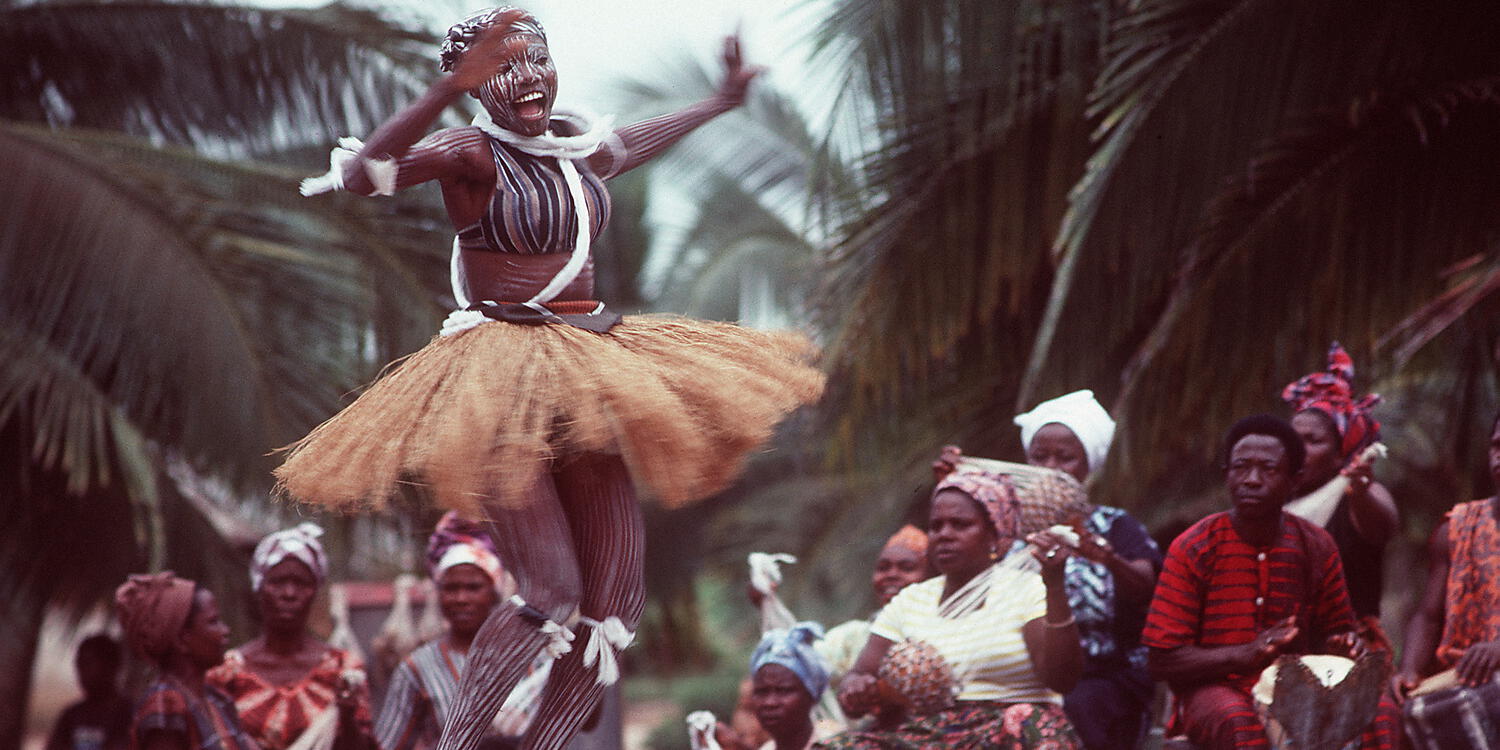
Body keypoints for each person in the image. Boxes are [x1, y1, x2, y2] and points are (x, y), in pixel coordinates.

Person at [276, 7, 823, 749]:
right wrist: (446, 94)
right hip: (503, 369)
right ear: (475, 84)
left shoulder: (574, 147)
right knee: (553, 593)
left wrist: (723, 102)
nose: (528, 79)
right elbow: (363, 173)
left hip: (585, 356)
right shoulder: (470, 151)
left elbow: (631, 143)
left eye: (537, 61)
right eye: (505, 68)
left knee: (614, 611)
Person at [1141, 414, 1399, 750]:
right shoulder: (1194, 546)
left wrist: (1343, 645)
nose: (1251, 480)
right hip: (1213, 691)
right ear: (1226, 475)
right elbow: (1161, 661)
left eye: (1269, 469)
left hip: (1297, 687)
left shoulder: (1316, 545)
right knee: (1239, 722)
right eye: (1241, 468)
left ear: (1294, 480)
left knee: (1382, 712)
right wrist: (1245, 654)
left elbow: (1336, 631)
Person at [820, 469, 1084, 749]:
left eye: (960, 524)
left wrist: (1055, 587)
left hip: (1009, 726)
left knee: (1027, 721)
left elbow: (1061, 679)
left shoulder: (1027, 589)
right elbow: (860, 676)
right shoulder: (910, 601)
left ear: (995, 534)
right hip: (934, 733)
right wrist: (855, 688)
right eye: (937, 525)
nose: (944, 534)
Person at [1011, 389, 1162, 750]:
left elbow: (1148, 588)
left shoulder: (1115, 526)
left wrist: (1107, 559)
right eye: (1040, 456)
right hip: (1022, 677)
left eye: (1065, 458)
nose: (1051, 468)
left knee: (1077, 709)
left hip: (1103, 678)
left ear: (1087, 465)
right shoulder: (1007, 530)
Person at [376, 512, 548, 750]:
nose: (461, 598)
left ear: (494, 592)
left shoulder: (532, 657)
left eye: (473, 587)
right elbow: (387, 745)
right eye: (451, 588)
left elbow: (584, 720)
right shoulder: (418, 668)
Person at [206, 523, 375, 750]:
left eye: (301, 583)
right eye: (277, 582)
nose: (289, 593)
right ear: (259, 586)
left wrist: (346, 714)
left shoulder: (343, 669)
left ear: (315, 590)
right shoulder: (226, 673)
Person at [1391, 412, 1500, 748]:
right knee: (1396, 712)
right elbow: (1428, 614)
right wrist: (1408, 669)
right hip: (1461, 676)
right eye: (1497, 446)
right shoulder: (1459, 526)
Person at [1282, 343, 1399, 649]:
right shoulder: (1277, 502)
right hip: (1281, 647)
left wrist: (1360, 492)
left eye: (1312, 441)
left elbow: (1383, 525)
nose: (1297, 450)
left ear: (1341, 453)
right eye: (1293, 440)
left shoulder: (1357, 496)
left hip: (1350, 650)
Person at [115, 572, 257, 750]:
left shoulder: (215, 699)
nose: (225, 630)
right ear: (182, 639)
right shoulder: (165, 706)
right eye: (213, 622)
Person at [45, 634, 131, 750]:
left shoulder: (127, 714)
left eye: (88, 663)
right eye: (79, 664)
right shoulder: (71, 716)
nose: (80, 671)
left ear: (111, 666)